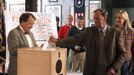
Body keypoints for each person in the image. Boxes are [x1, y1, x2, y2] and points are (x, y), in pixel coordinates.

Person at [49, 8, 126, 75]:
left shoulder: (116, 33)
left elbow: (122, 53)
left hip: (108, 71)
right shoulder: (89, 31)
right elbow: (75, 39)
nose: (95, 21)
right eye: (94, 18)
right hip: (91, 71)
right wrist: (57, 41)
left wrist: (114, 68)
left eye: (97, 18)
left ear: (105, 18)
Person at [114, 9, 134, 75]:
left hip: (126, 61)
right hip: (114, 60)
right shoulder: (112, 31)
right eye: (116, 17)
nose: (117, 19)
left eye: (120, 17)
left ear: (125, 19)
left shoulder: (131, 31)